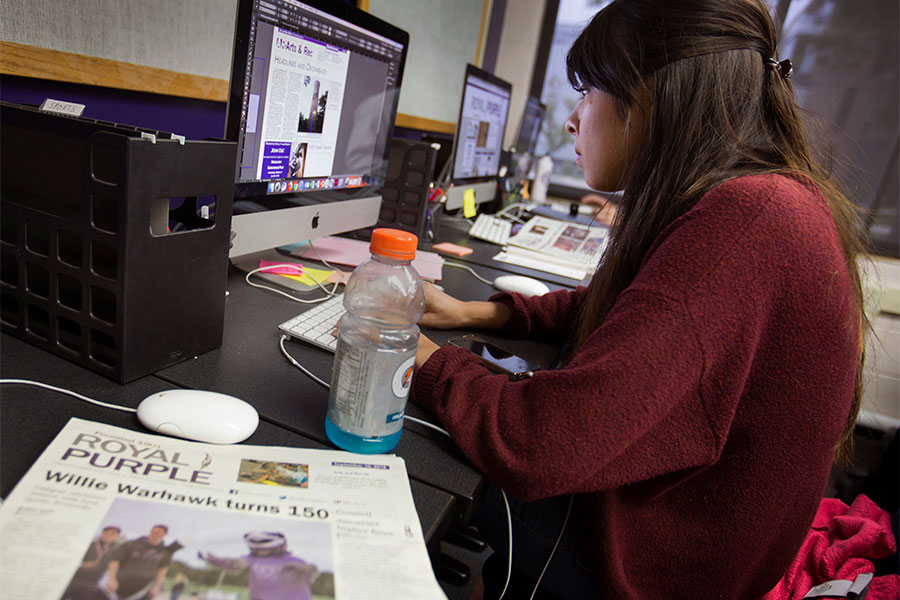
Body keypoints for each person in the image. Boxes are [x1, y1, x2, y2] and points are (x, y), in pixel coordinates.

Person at [409, 1, 869, 598]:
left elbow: (542, 443)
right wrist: (474, 312)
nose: (573, 121)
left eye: (588, 92)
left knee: (415, 435)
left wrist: (410, 349)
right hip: (685, 540)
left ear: (653, 95)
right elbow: (631, 312)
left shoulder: (751, 220)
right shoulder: (765, 198)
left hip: (648, 566)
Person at [199, 531, 319, 600]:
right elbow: (236, 564)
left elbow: (311, 573)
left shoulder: (294, 560)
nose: (259, 551)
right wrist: (215, 560)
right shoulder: (251, 559)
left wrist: (309, 570)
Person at [103, 525, 182, 600]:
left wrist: (156, 586)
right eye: (152, 531)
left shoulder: (165, 552)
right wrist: (111, 578)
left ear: (165, 534)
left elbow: (162, 570)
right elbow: (115, 560)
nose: (154, 534)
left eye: (158, 533)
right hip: (118, 585)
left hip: (142, 591)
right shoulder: (132, 544)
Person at [63, 525, 121, 600]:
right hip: (75, 580)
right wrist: (82, 564)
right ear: (102, 534)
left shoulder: (115, 550)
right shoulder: (89, 544)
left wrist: (111, 580)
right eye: (106, 533)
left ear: (116, 536)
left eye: (112, 534)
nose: (108, 536)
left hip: (94, 583)